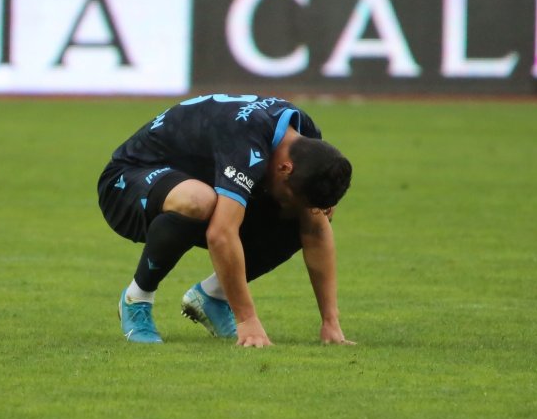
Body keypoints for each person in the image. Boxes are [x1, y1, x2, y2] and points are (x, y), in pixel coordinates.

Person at [97, 94, 355, 348]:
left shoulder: (304, 135)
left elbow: (316, 230)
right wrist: (247, 320)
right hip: (127, 181)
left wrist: (330, 322)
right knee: (199, 200)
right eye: (289, 195)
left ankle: (212, 296)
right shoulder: (246, 139)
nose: (288, 203)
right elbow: (221, 233)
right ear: (285, 167)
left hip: (196, 182)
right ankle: (136, 298)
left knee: (306, 212)